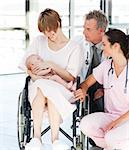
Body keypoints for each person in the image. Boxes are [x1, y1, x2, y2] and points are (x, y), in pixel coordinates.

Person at [19, 8, 82, 150]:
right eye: (45, 32)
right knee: (42, 87)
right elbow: (25, 64)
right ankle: (40, 138)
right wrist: (35, 75)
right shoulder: (39, 41)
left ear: (58, 24)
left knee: (49, 90)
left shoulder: (74, 47)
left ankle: (49, 139)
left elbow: (70, 76)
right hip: (38, 86)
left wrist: (52, 65)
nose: (48, 35)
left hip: (62, 87)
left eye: (51, 31)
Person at [75, 29, 129, 150]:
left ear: (115, 46)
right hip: (110, 116)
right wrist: (83, 90)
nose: (102, 48)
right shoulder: (106, 66)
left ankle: (113, 143)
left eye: (104, 44)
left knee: (111, 137)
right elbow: (86, 83)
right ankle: (113, 145)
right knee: (85, 124)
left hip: (126, 119)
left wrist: (116, 123)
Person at [74, 10, 108, 148]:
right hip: (85, 84)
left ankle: (102, 139)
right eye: (83, 28)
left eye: (88, 29)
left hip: (106, 87)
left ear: (101, 31)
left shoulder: (114, 45)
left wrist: (104, 89)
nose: (84, 32)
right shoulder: (78, 43)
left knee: (100, 99)